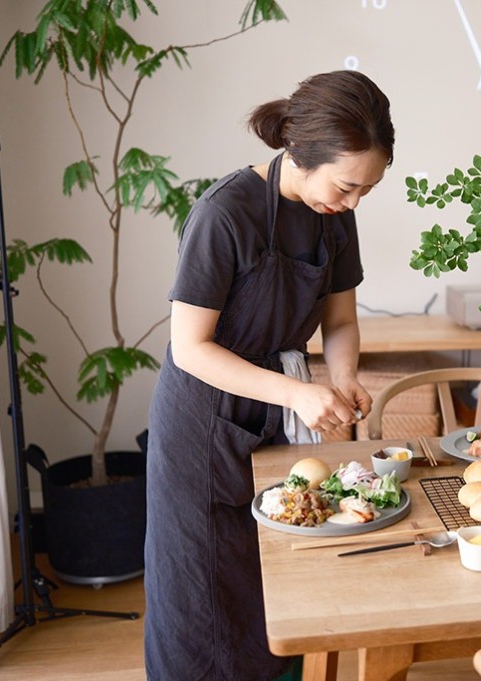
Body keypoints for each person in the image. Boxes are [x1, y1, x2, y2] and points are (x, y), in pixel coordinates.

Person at [143, 70, 394, 681]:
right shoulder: (224, 214)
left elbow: (338, 320)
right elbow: (190, 349)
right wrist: (299, 392)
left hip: (277, 414)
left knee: (279, 581)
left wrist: (341, 377)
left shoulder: (334, 213)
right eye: (346, 186)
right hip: (202, 426)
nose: (352, 202)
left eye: (366, 190)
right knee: (204, 596)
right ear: (298, 154)